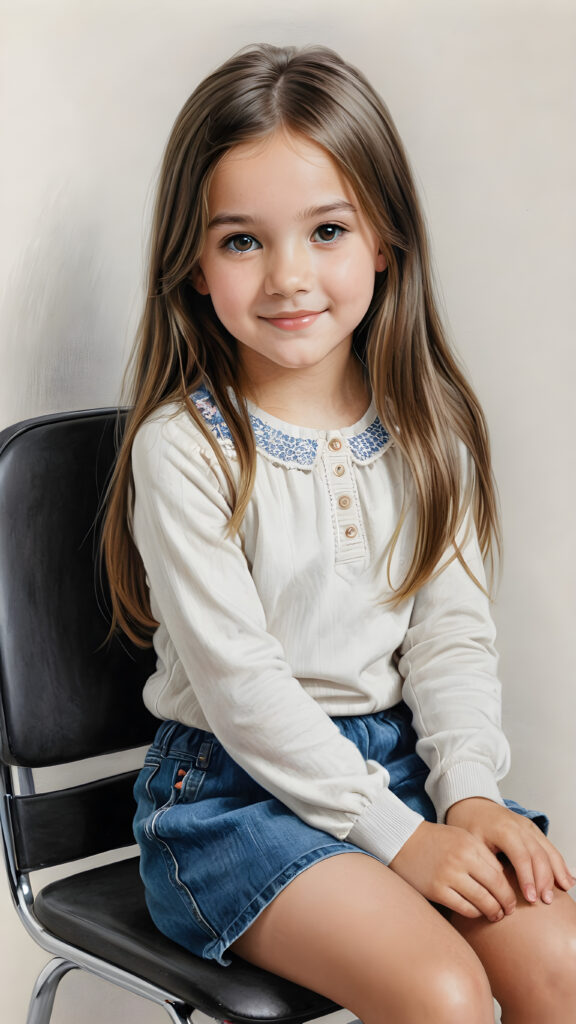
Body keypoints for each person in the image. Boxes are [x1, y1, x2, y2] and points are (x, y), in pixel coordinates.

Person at [102, 44, 576, 1023]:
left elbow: (449, 638)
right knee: (441, 993)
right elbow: (244, 690)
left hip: (397, 768)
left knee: (561, 962)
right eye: (242, 241)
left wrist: (472, 794)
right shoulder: (183, 449)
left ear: (384, 242)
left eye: (326, 229)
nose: (289, 276)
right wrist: (403, 839)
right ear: (194, 261)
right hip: (227, 798)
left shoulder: (428, 427)